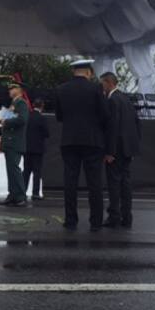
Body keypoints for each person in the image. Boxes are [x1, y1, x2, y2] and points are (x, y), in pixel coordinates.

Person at [55, 59, 111, 231]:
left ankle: (71, 220)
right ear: (88, 72)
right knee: (94, 183)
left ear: (74, 71)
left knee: (70, 182)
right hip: (92, 141)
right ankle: (96, 222)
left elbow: (59, 116)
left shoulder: (61, 89)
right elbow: (105, 115)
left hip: (69, 140)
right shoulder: (96, 89)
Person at [100, 72, 141, 228]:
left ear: (108, 82)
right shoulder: (126, 99)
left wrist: (109, 152)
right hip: (127, 150)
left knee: (114, 185)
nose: (101, 87)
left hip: (116, 150)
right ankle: (127, 216)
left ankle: (114, 216)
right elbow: (137, 124)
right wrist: (133, 148)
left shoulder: (112, 100)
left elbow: (112, 128)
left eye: (102, 83)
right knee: (125, 185)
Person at [0, 82, 29, 207]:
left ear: (19, 90)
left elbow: (22, 120)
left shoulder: (21, 103)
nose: (9, 90)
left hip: (15, 142)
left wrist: (6, 121)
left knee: (14, 169)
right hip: (10, 141)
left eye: (12, 88)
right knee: (11, 170)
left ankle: (20, 196)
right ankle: (13, 195)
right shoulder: (14, 104)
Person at [24, 98, 50, 201]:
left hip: (27, 147)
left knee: (26, 171)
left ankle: (23, 191)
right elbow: (47, 133)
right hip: (38, 148)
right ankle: (35, 193)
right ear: (42, 106)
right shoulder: (42, 118)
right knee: (37, 172)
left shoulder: (27, 116)